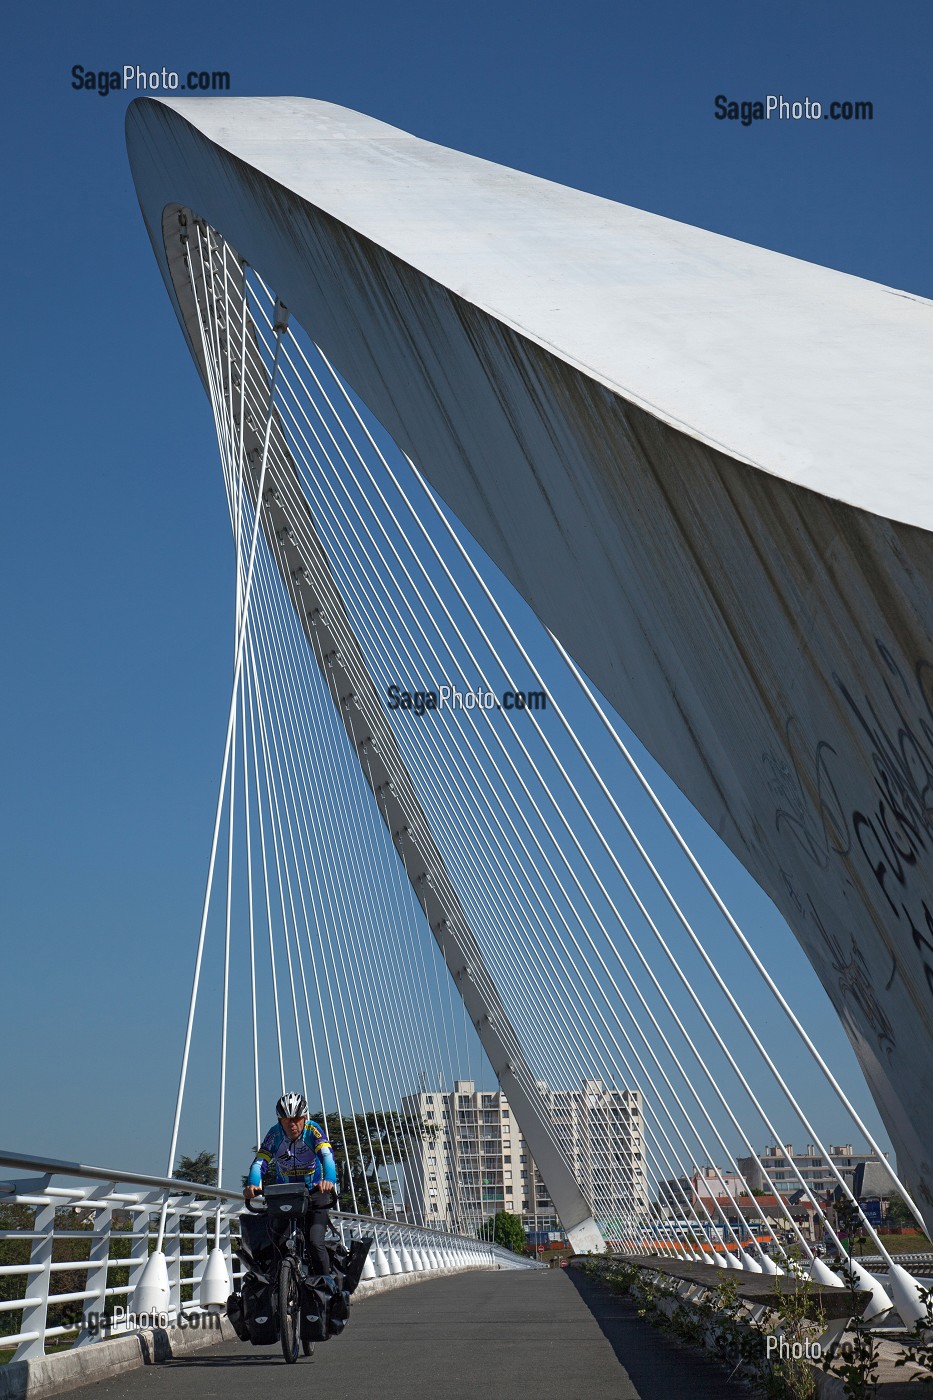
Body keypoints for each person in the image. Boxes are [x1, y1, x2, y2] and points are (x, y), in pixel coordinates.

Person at [244, 1091, 337, 1275]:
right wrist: (253, 1183)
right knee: (276, 1243)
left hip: (314, 1192)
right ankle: (279, 1290)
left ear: (304, 1117)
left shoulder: (313, 1130)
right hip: (285, 1194)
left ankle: (325, 1289)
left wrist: (329, 1180)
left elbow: (327, 1156)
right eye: (287, 1120)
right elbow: (260, 1161)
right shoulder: (275, 1134)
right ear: (280, 1120)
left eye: (296, 1119)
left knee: (314, 1243)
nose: (292, 1124)